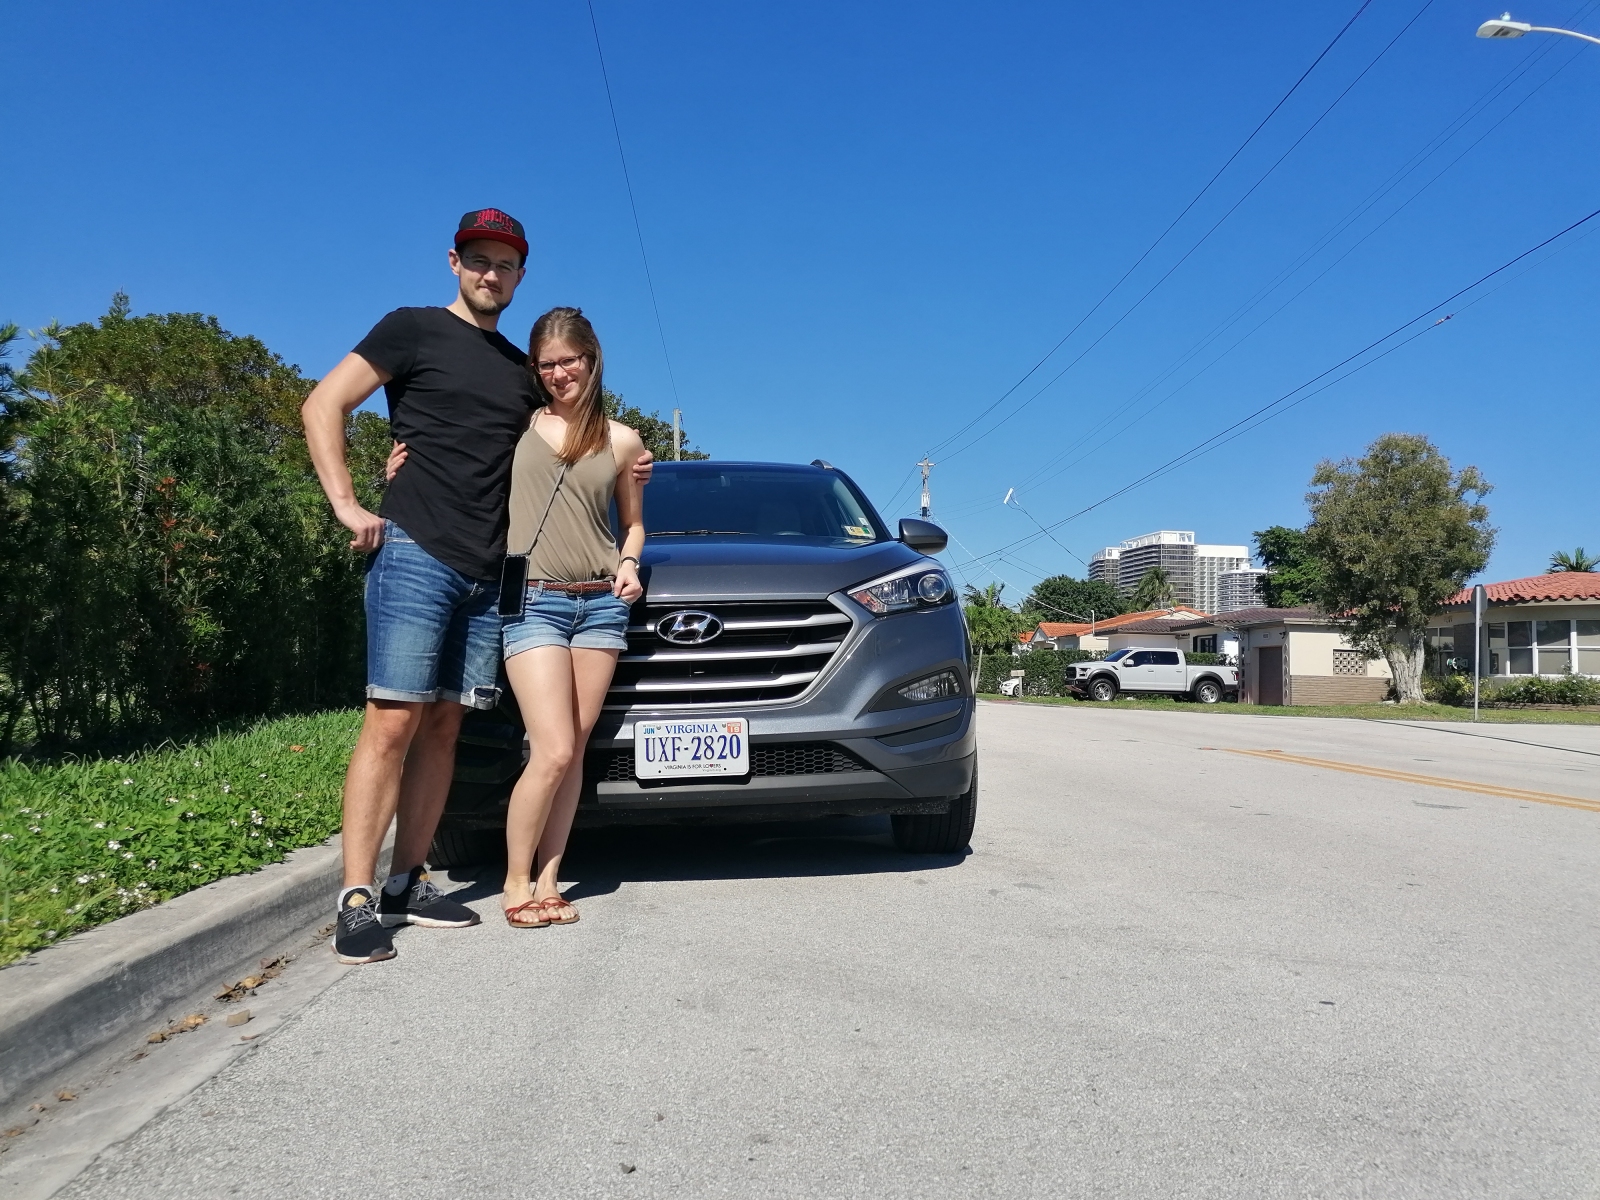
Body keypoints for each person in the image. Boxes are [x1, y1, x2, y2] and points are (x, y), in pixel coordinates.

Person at [302, 210, 652, 965]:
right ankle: (356, 899)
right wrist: (348, 503)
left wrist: (633, 463)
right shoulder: (412, 329)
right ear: (454, 262)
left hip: (492, 576)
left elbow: (559, 444)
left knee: (444, 728)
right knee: (391, 721)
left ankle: (407, 882)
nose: (491, 273)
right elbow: (324, 402)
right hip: (416, 552)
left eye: (506, 263)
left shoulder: (521, 371)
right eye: (479, 259)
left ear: (521, 275)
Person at [498, 307, 645, 927]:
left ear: (592, 358)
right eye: (547, 365)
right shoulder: (519, 423)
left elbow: (632, 524)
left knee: (576, 747)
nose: (559, 374)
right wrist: (402, 463)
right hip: (534, 600)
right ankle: (515, 882)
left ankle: (550, 879)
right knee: (553, 748)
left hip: (601, 606)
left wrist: (630, 564)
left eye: (569, 361)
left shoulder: (624, 441)